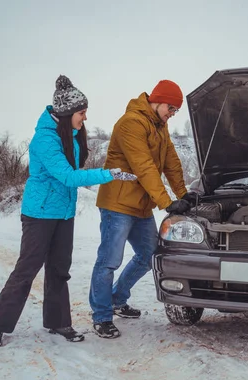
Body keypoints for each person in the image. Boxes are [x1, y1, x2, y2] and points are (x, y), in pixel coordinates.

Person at [0, 75, 137, 349]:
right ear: (66, 114)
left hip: (63, 213)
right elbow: (67, 176)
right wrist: (109, 174)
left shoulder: (72, 136)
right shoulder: (45, 139)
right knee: (26, 269)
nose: (84, 118)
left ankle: (58, 322)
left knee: (59, 269)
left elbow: (71, 175)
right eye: (81, 113)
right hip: (39, 214)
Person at [89, 80, 197, 339]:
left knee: (149, 254)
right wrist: (166, 201)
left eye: (176, 110)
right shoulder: (131, 123)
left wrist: (183, 194)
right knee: (108, 261)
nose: (172, 113)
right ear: (157, 100)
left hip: (140, 205)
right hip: (117, 204)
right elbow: (144, 165)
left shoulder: (160, 126)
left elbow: (170, 161)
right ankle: (102, 316)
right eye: (171, 108)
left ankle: (117, 298)